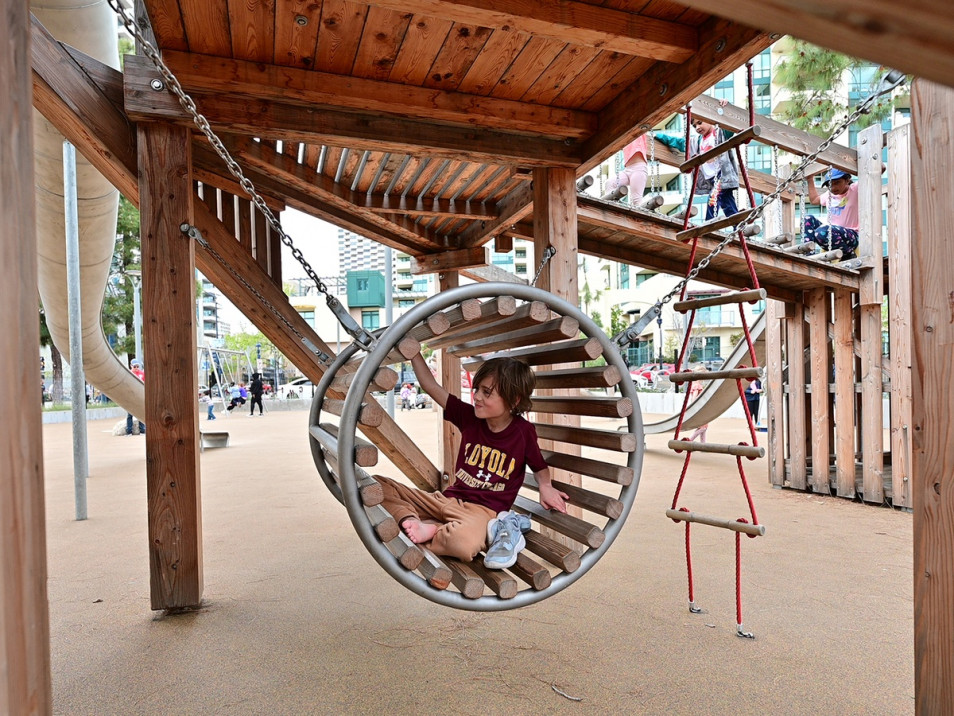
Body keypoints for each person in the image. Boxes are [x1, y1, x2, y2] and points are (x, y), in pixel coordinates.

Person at [374, 352, 568, 569]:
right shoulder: (469, 417)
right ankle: (413, 520)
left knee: (465, 543)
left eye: (487, 392)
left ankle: (433, 530)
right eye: (477, 389)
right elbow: (430, 386)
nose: (476, 397)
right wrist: (414, 354)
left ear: (514, 400)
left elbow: (538, 465)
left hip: (482, 513)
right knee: (376, 486)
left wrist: (546, 486)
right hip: (446, 500)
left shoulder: (523, 432)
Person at [689, 111, 738, 221]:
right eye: (694, 126)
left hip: (722, 175)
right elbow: (678, 142)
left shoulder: (719, 133)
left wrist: (724, 108)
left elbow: (731, 125)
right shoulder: (697, 141)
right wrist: (659, 135)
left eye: (700, 123)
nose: (697, 127)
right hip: (711, 178)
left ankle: (709, 222)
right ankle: (739, 226)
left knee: (713, 198)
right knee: (727, 204)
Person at [803, 168, 860, 258]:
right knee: (808, 219)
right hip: (829, 235)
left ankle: (848, 254)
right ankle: (808, 253)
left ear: (847, 180)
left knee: (823, 231)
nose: (833, 188)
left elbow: (880, 169)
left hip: (851, 236)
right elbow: (814, 200)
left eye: (837, 183)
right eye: (829, 185)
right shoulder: (829, 194)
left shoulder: (855, 189)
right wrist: (810, 180)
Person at [605, 134, 649, 202]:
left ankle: (636, 212)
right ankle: (612, 205)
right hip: (627, 170)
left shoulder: (640, 132)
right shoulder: (623, 135)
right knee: (610, 182)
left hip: (639, 168)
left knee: (636, 199)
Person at [687, 366, 709, 443]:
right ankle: (689, 441)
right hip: (699, 408)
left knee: (703, 426)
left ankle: (703, 444)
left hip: (699, 408)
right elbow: (694, 397)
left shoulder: (695, 384)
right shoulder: (697, 385)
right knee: (703, 427)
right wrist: (694, 406)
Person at [125, 359, 146, 436]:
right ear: (131, 366)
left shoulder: (142, 374)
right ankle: (129, 431)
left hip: (139, 395)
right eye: (135, 366)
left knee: (140, 413)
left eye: (137, 366)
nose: (136, 368)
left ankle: (142, 430)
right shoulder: (129, 373)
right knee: (130, 414)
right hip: (131, 396)